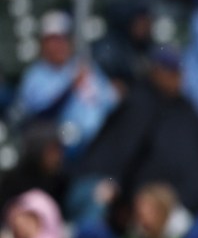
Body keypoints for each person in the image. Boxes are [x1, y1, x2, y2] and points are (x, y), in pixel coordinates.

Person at [78, 47, 198, 214]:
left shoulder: (187, 109)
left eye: (177, 71)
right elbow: (120, 151)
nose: (174, 76)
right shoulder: (139, 102)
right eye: (168, 69)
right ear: (155, 70)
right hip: (127, 193)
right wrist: (115, 182)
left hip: (187, 201)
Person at [12, 12, 118, 152]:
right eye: (54, 40)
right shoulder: (35, 76)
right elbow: (42, 115)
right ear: (43, 44)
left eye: (63, 39)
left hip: (102, 138)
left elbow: (110, 99)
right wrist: (71, 88)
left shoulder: (83, 66)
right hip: (65, 145)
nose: (60, 45)